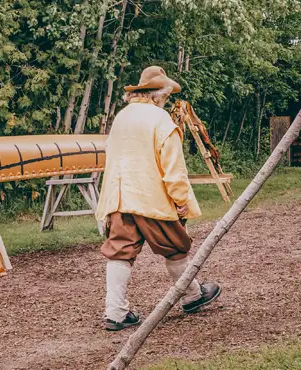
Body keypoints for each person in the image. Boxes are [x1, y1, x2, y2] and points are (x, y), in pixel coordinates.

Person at [95, 66, 222, 331]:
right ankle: (193, 296)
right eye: (165, 96)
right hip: (151, 198)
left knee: (120, 251)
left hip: (119, 198)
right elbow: (173, 166)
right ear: (159, 95)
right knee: (176, 247)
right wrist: (180, 200)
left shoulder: (121, 117)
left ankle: (115, 313)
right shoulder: (161, 120)